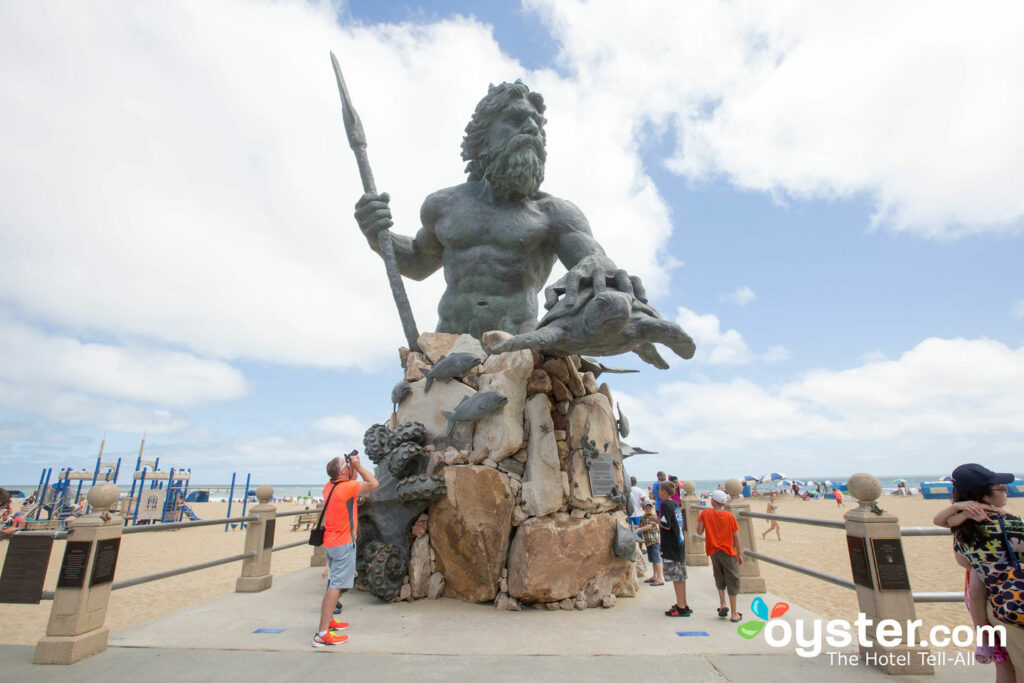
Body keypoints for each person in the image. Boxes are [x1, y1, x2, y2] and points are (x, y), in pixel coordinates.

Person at [354, 81, 692, 347]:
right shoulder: (443, 205)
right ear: (483, 138)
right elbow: (417, 263)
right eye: (516, 120)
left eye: (538, 125)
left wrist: (600, 268)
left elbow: (592, 263)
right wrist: (376, 234)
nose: (532, 129)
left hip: (519, 349)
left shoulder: (554, 214)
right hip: (447, 346)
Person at [941, 463, 1023, 677]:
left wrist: (961, 507)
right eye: (1001, 489)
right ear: (985, 495)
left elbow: (963, 562)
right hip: (1016, 601)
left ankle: (983, 642)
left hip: (990, 603)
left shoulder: (963, 527)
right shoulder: (1012, 523)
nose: (1006, 492)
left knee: (1004, 667)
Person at [313, 452, 378, 648]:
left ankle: (329, 618)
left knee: (342, 582)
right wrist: (357, 467)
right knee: (337, 586)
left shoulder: (329, 487)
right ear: (343, 472)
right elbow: (374, 484)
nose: (350, 468)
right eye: (346, 466)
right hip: (342, 544)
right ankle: (322, 634)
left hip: (332, 543)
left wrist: (351, 468)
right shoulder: (345, 488)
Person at [697, 490, 744, 622]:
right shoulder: (729, 516)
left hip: (713, 551)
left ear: (712, 501)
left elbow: (699, 531)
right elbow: (736, 536)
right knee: (732, 579)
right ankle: (734, 613)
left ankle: (722, 603)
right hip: (728, 552)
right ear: (723, 503)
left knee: (719, 576)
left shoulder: (705, 513)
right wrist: (739, 553)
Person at [657, 480, 691, 617]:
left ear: (664, 492)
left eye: (659, 489)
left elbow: (667, 525)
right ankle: (684, 603)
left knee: (676, 577)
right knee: (681, 576)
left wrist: (655, 520)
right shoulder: (675, 503)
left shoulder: (665, 504)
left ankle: (680, 607)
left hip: (670, 545)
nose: (658, 491)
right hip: (679, 543)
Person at [637, 502, 663, 586]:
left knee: (656, 559)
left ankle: (660, 578)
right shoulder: (643, 517)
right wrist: (633, 527)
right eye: (646, 508)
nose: (648, 509)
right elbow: (640, 526)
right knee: (653, 559)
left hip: (654, 540)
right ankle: (655, 576)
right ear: (643, 508)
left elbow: (650, 526)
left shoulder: (653, 517)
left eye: (649, 508)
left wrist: (639, 529)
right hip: (648, 541)